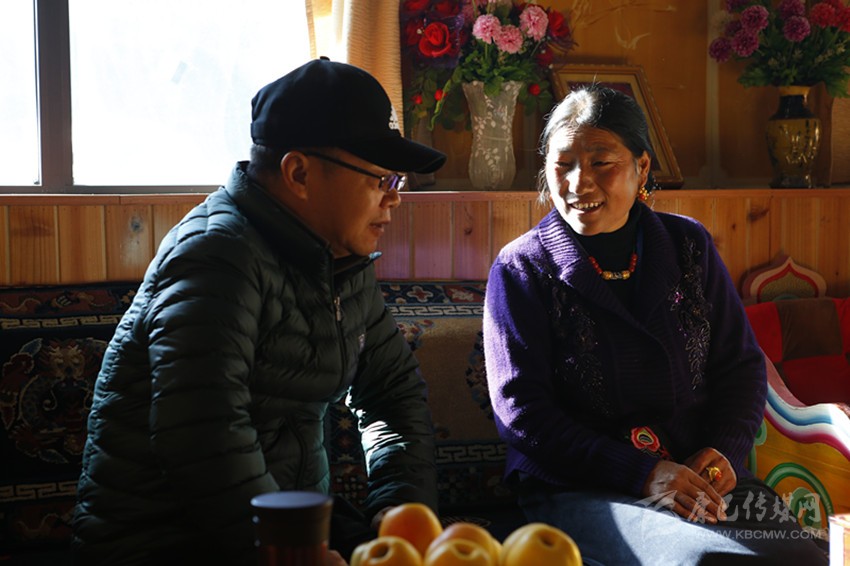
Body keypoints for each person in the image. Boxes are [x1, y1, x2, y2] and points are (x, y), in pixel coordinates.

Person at [72, 58, 445, 565]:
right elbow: (204, 438)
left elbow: (393, 392)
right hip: (165, 544)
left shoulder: (339, 258)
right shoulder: (216, 257)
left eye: (395, 180)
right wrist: (293, 550)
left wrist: (400, 510)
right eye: (380, 178)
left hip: (283, 530)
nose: (393, 199)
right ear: (299, 173)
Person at [482, 85, 827, 565]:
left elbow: (741, 365)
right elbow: (521, 411)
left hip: (694, 472)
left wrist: (724, 450)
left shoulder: (689, 246)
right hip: (583, 486)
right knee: (707, 560)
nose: (579, 183)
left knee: (804, 558)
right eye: (563, 165)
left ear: (642, 167)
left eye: (601, 162)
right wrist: (641, 473)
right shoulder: (522, 268)